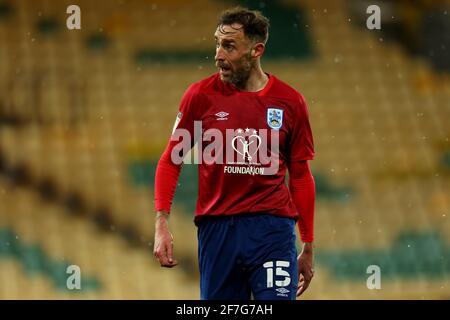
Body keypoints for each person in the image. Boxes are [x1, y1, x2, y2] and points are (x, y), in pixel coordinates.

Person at [153, 7, 316, 300]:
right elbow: (171, 159)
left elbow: (301, 177)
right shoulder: (200, 97)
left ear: (256, 50)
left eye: (229, 46)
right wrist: (161, 222)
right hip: (217, 230)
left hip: (272, 228)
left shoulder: (290, 103)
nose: (218, 55)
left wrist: (308, 244)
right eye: (217, 43)